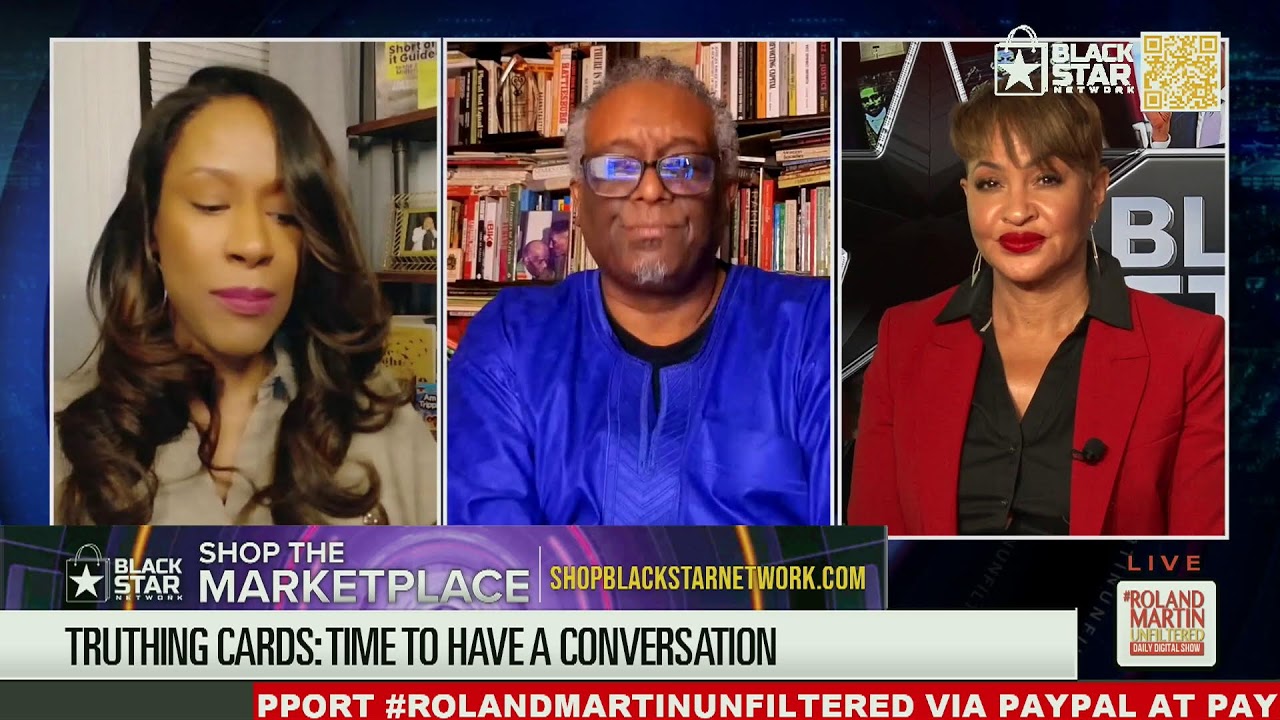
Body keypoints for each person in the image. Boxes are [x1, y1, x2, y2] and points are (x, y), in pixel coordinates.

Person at [447, 56, 831, 526]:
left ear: (726, 197)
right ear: (579, 199)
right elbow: (492, 557)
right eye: (616, 167)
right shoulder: (511, 337)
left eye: (683, 166)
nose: (650, 190)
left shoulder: (814, 327)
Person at [54, 66, 437, 526]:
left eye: (286, 214)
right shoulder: (54, 437)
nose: (254, 245)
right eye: (211, 204)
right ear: (151, 229)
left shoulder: (384, 423)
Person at [848, 83, 1224, 536]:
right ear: (967, 195)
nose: (1016, 211)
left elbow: (1203, 564)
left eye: (1046, 178)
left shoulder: (1190, 348)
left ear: (1096, 190)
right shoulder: (904, 338)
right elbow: (877, 554)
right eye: (991, 183)